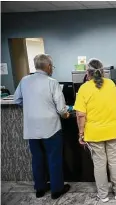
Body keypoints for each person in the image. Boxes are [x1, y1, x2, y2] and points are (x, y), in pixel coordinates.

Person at [13, 54, 71, 199]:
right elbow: (61, 109)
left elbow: (17, 99)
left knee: (37, 158)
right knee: (54, 158)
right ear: (49, 67)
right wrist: (66, 115)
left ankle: (40, 189)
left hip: (31, 127)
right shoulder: (52, 82)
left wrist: (30, 109)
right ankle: (56, 190)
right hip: (51, 127)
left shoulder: (24, 80)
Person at [74, 58, 116, 202]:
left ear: (87, 73)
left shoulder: (84, 88)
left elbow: (80, 115)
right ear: (103, 71)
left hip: (94, 133)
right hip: (114, 130)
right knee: (114, 161)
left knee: (99, 164)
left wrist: (81, 133)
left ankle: (103, 195)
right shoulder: (113, 84)